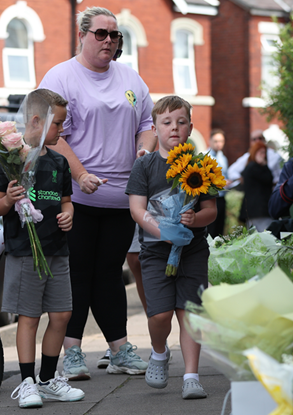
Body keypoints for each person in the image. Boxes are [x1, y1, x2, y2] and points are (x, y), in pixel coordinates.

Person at [38, 6, 154, 380]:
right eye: (101, 34)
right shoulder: (61, 76)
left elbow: (148, 124)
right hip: (75, 199)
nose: (109, 40)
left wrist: (144, 150)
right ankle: (72, 353)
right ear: (82, 36)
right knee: (77, 273)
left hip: (122, 198)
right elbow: (52, 136)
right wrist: (81, 174)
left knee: (109, 273)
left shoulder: (130, 78)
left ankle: (119, 349)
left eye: (115, 35)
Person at [0, 89, 84, 408]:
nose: (62, 130)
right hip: (25, 251)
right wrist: (8, 199)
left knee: (62, 314)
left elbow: (67, 202)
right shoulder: (8, 160)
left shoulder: (58, 161)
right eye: (58, 124)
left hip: (57, 250)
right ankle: (28, 383)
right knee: (28, 317)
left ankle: (47, 380)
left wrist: (68, 215)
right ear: (36, 120)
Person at [126, 95, 215, 400]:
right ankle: (159, 351)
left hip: (193, 250)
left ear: (190, 127)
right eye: (166, 122)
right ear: (154, 128)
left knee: (189, 310)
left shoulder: (201, 166)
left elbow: (211, 211)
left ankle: (191, 375)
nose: (174, 128)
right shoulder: (145, 165)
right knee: (160, 315)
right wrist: (161, 230)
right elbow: (136, 208)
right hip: (155, 250)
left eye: (180, 122)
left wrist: (193, 218)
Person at [239, 140, 274, 232]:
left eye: (264, 153)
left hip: (254, 211)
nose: (264, 155)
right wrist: (265, 166)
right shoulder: (254, 168)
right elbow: (268, 179)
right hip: (259, 210)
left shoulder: (250, 167)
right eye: (261, 152)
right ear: (255, 153)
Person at [207, 129, 228, 238]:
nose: (219, 144)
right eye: (216, 141)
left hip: (222, 197)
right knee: (211, 230)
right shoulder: (206, 157)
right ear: (209, 141)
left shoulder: (223, 158)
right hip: (211, 198)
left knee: (220, 231)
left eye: (221, 141)